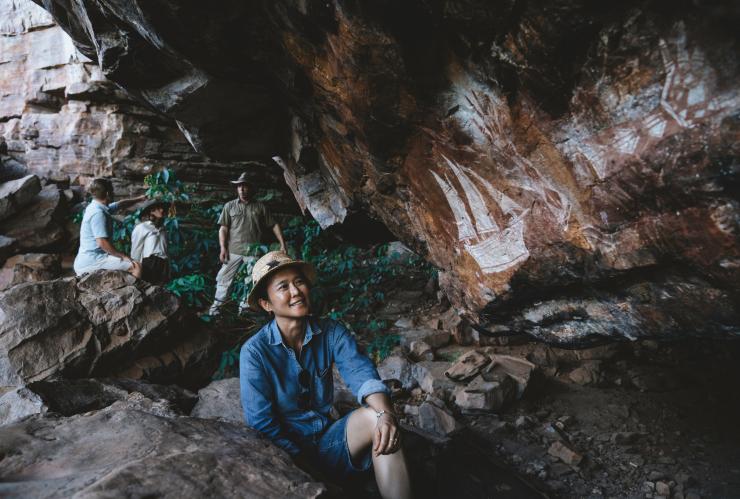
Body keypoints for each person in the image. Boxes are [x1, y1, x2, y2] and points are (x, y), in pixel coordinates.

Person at [240, 251, 412, 499]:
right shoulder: (255, 353)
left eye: (299, 282)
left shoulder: (331, 332)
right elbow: (262, 424)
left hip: (328, 443)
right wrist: (308, 473)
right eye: (283, 287)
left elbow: (362, 375)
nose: (296, 291)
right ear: (267, 304)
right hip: (289, 460)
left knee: (379, 421)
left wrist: (387, 414)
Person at [208, 172, 286, 316]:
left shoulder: (260, 207)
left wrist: (282, 244)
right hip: (233, 251)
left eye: (245, 186)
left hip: (253, 253)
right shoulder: (229, 206)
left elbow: (274, 225)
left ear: (250, 188)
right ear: (236, 189)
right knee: (224, 279)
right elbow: (223, 228)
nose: (242, 189)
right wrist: (223, 248)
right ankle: (215, 311)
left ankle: (243, 311)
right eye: (239, 187)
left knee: (250, 282)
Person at [74, 178, 144, 278]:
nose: (114, 193)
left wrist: (140, 199)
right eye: (112, 191)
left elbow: (120, 204)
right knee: (136, 266)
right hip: (93, 260)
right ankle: (135, 293)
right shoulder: (98, 213)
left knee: (130, 262)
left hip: (87, 258)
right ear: (108, 194)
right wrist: (122, 256)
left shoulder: (95, 206)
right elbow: (102, 243)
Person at [131, 199, 170, 284]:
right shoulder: (142, 227)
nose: (162, 210)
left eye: (162, 208)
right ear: (152, 211)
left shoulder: (164, 229)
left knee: (162, 291)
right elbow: (136, 250)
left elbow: (166, 250)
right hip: (149, 263)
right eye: (159, 208)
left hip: (163, 264)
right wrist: (136, 269)